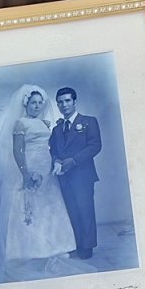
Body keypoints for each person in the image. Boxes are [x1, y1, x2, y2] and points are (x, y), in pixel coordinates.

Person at [0, 84, 76, 273]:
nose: (37, 106)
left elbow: (50, 146)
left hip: (46, 166)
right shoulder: (21, 123)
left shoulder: (45, 123)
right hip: (29, 165)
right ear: (26, 104)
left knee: (50, 205)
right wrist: (25, 173)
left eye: (40, 103)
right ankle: (28, 249)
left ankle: (56, 245)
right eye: (33, 103)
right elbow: (17, 150)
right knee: (29, 205)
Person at [47, 86, 102, 260]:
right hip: (64, 176)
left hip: (82, 175)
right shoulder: (57, 129)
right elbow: (53, 149)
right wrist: (56, 159)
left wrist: (74, 160)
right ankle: (76, 243)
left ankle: (87, 246)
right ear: (57, 104)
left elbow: (95, 145)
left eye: (67, 101)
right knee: (71, 210)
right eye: (60, 102)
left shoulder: (88, 121)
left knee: (85, 210)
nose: (64, 105)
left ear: (74, 102)